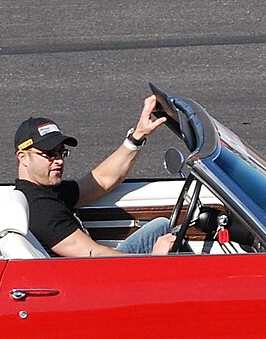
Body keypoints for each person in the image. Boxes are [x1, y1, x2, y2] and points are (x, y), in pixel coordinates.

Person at [14, 95, 174, 257]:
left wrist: (138, 136)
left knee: (162, 227)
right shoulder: (39, 209)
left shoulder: (47, 190)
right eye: (49, 154)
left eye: (61, 152)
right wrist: (154, 260)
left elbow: (102, 180)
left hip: (94, 266)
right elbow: (93, 256)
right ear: (23, 157)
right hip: (92, 275)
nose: (59, 161)